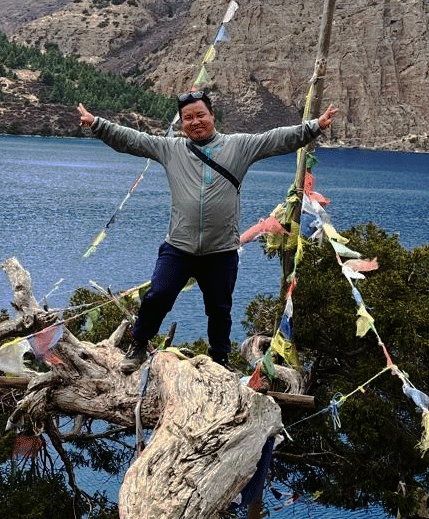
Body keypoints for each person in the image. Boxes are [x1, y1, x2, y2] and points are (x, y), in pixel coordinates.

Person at [77, 91, 338, 373]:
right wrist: (97, 123)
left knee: (219, 309)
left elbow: (275, 139)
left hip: (222, 250)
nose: (195, 121)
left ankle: (220, 360)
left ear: (212, 116)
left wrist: (315, 126)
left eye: (200, 115)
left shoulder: (239, 146)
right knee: (158, 296)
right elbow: (132, 140)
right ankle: (139, 345)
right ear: (182, 123)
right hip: (178, 247)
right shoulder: (171, 149)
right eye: (188, 118)